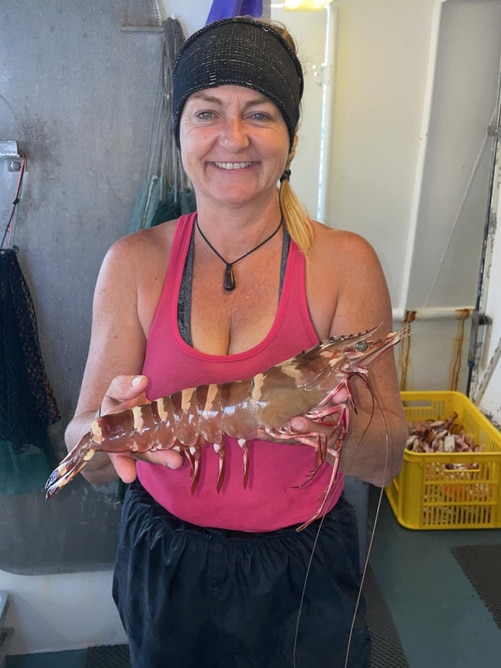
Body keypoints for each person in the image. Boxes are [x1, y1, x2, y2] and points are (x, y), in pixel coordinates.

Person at [65, 16, 408, 668]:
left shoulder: (344, 263)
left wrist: (340, 421)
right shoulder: (132, 263)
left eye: (259, 112)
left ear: (291, 137)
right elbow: (87, 453)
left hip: (301, 562)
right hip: (165, 559)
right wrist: (107, 434)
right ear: (179, 132)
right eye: (206, 112)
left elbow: (385, 459)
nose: (233, 136)